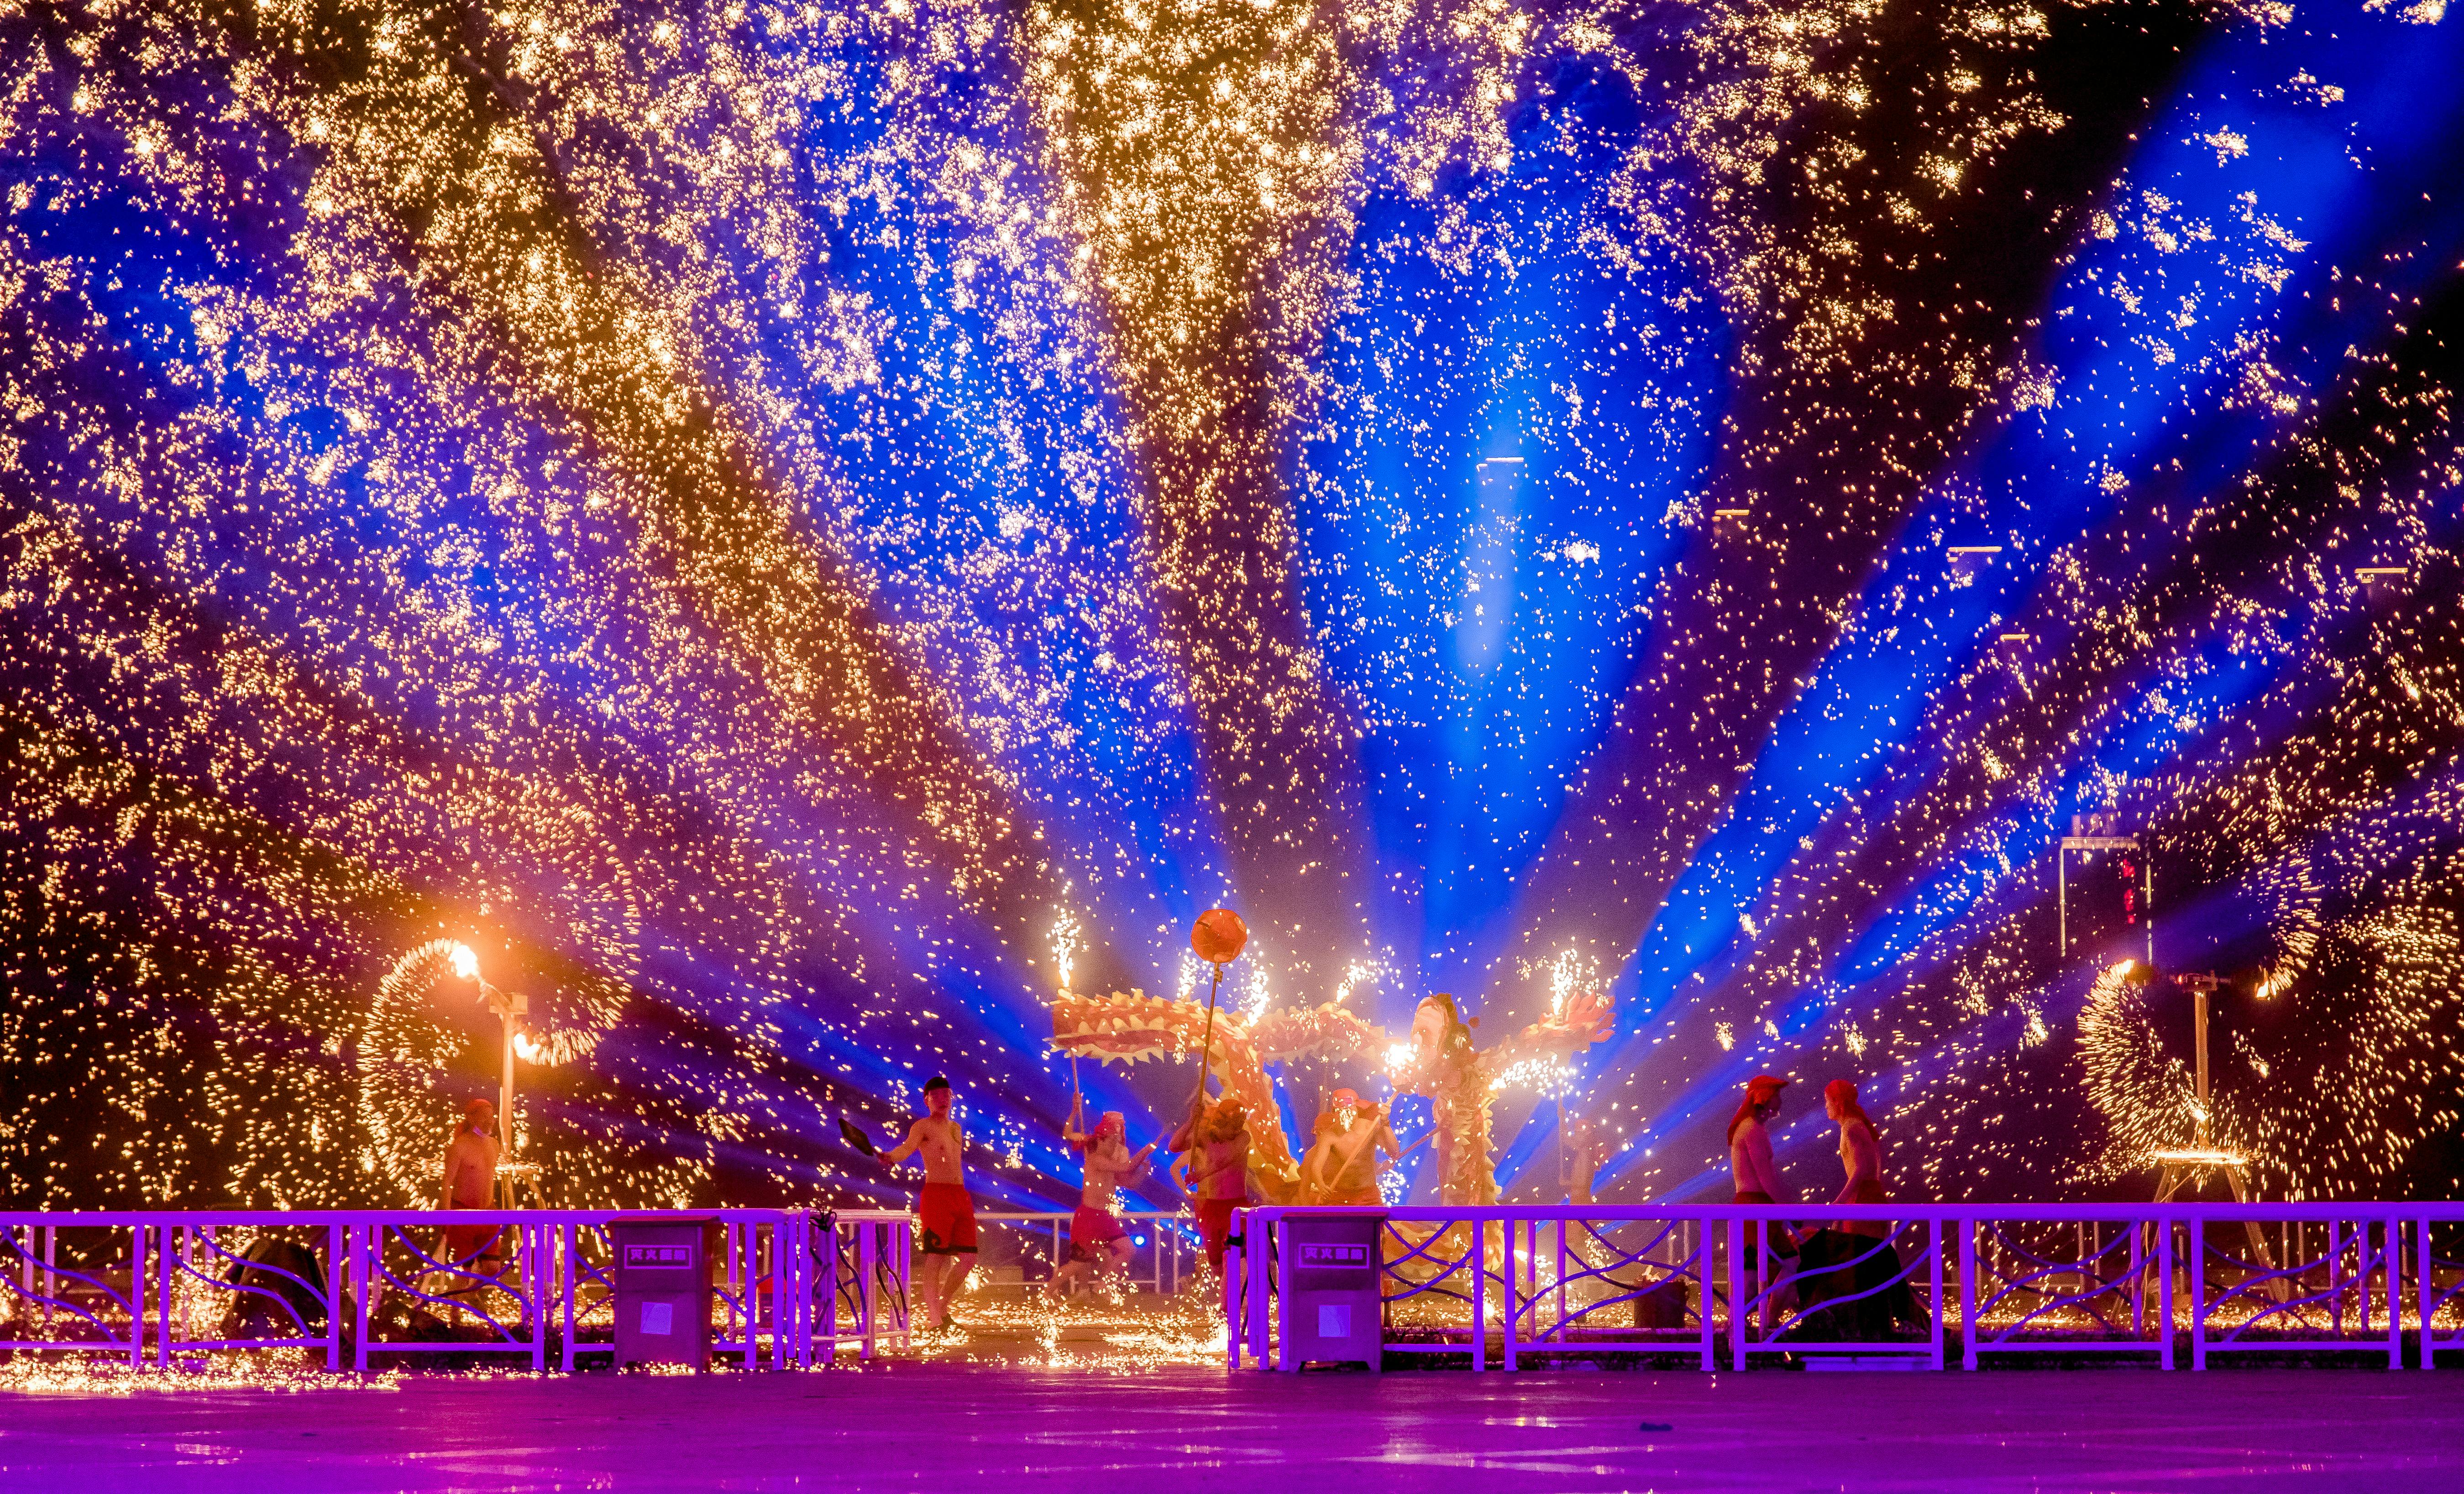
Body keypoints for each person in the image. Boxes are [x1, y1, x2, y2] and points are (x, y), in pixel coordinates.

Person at [1804, 1077, 1914, 1338]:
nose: (1826, 1108)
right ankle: (1878, 1323)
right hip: (1870, 1196)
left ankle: (1869, 1326)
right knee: (1872, 1261)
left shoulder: (1851, 1128)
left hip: (1863, 1198)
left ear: (1838, 1103)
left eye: (1828, 1102)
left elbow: (1862, 1170)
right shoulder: (1861, 1125)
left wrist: (1839, 1204)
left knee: (1861, 1261)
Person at [882, 1075, 975, 1332]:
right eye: (936, 1096)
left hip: (960, 1195)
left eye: (946, 1094)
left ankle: (943, 1307)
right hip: (937, 1196)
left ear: (952, 1098)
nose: (942, 1100)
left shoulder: (956, 1128)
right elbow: (906, 1148)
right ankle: (936, 1319)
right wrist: (891, 1157)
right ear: (927, 1101)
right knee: (935, 1259)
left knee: (968, 1258)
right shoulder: (922, 1126)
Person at [1049, 1105, 1155, 1299]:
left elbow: (1128, 1181)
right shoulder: (1096, 1154)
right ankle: (1050, 1293)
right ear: (1104, 1136)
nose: (1116, 1141)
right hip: (1090, 1215)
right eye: (1115, 1131)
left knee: (1125, 1250)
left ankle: (1102, 1286)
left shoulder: (1115, 1153)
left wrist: (1143, 1172)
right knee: (1079, 1263)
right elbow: (1068, 1133)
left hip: (1103, 1215)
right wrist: (1073, 1111)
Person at [1726, 1074, 1798, 1322]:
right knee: (1751, 1273)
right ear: (1765, 1096)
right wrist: (1789, 1212)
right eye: (1777, 1094)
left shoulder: (1751, 1128)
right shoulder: (1751, 1130)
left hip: (1760, 1208)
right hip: (1754, 1208)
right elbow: (1766, 1180)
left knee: (1791, 1262)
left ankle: (1764, 1320)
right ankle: (1742, 1330)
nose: (1781, 1100)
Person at [1169, 1093, 1250, 1275]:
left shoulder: (1244, 1137)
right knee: (1216, 1264)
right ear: (1222, 1123)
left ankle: (1238, 1301)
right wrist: (1192, 1120)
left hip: (1236, 1206)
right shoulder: (1205, 1137)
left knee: (1238, 1252)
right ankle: (1225, 1296)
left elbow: (1229, 1158)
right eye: (1234, 1126)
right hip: (1211, 1208)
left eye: (1240, 1125)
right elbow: (1175, 1146)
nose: (1238, 1130)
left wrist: (1201, 1174)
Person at [436, 1098, 505, 1276]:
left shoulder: (494, 1145)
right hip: (463, 1214)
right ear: (471, 1118)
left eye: (491, 1117)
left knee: (492, 1268)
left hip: (488, 1213)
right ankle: (457, 1301)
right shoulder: (459, 1147)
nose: (489, 1121)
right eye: (484, 1117)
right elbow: (447, 1182)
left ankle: (469, 1297)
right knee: (464, 1273)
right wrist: (445, 1216)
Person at [1304, 1089, 1400, 1207]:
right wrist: (1321, 1186)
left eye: (1350, 1110)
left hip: (1368, 1195)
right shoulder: (1329, 1136)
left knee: (1374, 1225)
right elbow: (1316, 1166)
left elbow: (1394, 1152)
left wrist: (1385, 1123)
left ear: (1357, 1108)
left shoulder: (1370, 1128)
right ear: (1335, 1112)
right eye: (1341, 1111)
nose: (1346, 1114)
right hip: (1338, 1195)